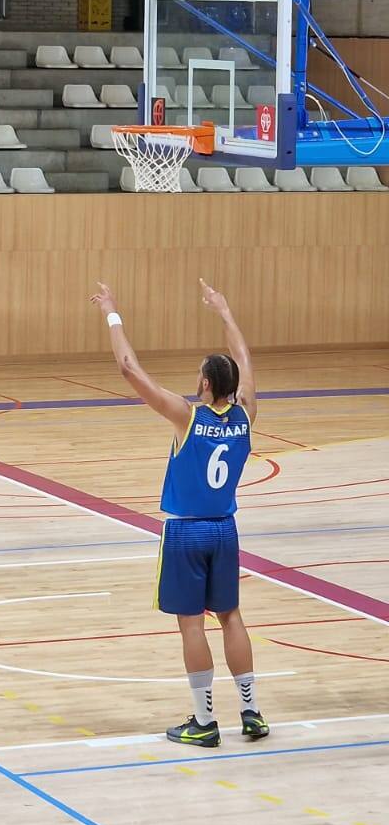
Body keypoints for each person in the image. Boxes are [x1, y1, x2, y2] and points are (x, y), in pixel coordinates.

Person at [92, 278, 270, 748]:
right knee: (231, 616)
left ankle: (204, 721)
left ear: (206, 383)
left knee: (191, 624)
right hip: (226, 530)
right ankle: (251, 712)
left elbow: (130, 368)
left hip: (186, 534)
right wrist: (225, 311)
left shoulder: (187, 417)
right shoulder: (247, 416)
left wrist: (112, 311)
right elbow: (246, 360)